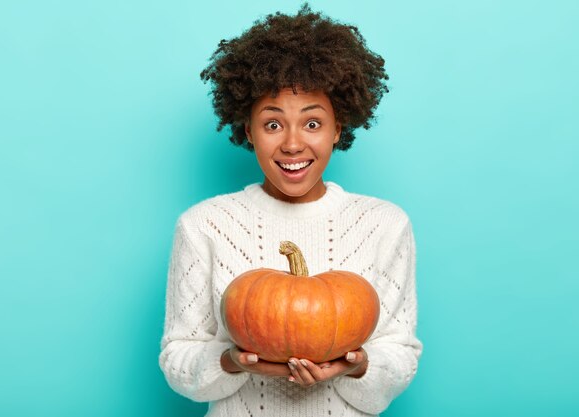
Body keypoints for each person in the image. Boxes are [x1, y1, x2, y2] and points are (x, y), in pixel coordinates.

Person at [159, 4, 423, 416]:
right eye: (273, 123)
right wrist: (231, 361)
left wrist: (356, 367)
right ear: (248, 130)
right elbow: (178, 358)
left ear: (339, 127)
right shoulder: (203, 225)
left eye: (313, 123)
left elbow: (400, 353)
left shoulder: (385, 224)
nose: (293, 144)